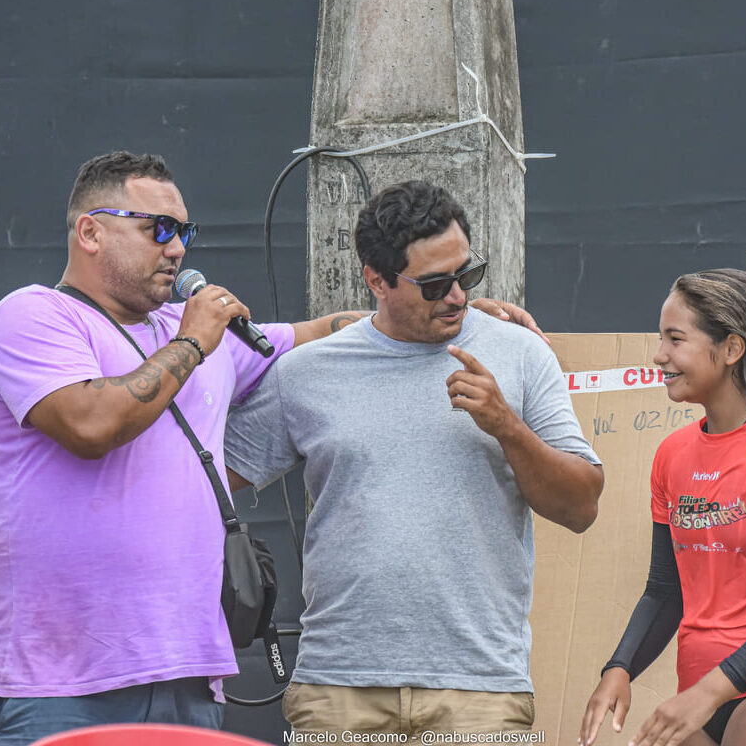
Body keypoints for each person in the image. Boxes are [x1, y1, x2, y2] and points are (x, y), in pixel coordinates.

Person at [0, 153, 538, 746]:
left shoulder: (204, 339)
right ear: (91, 231)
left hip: (188, 674)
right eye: (157, 229)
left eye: (184, 232)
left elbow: (335, 330)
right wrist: (193, 338)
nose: (176, 249)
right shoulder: (33, 317)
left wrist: (456, 311)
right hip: (58, 681)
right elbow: (90, 424)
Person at [224, 179, 605, 742]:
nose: (456, 296)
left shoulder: (521, 353)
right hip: (339, 687)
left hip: (480, 689)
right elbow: (200, 484)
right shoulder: (308, 372)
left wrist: (507, 427)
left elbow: (581, 506)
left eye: (466, 275)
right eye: (433, 284)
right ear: (375, 280)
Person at [579, 269, 746, 746]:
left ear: (731, 349)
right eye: (662, 339)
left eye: (675, 339)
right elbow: (665, 589)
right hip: (698, 694)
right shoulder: (672, 455)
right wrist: (619, 668)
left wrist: (711, 692)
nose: (660, 356)